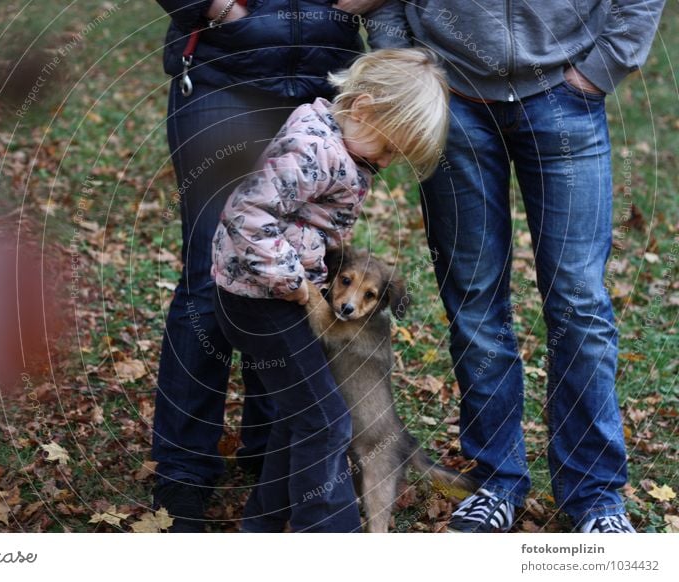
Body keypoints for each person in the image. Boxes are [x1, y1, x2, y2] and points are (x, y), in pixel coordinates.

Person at [366, 0, 666, 532]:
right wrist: (404, 61)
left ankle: (594, 496)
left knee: (578, 299)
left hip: (567, 95)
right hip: (449, 95)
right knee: (474, 299)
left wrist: (601, 68)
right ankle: (496, 480)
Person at [153, 0, 384, 532]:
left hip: (323, 71)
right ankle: (184, 471)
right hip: (223, 72)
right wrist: (220, 9)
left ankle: (270, 456)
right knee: (209, 277)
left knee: (292, 274)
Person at [212, 48, 450, 532]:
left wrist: (324, 251)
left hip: (265, 293)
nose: (384, 162)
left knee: (299, 417)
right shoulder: (314, 149)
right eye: (387, 149)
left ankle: (260, 528)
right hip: (260, 299)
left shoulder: (335, 145)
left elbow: (303, 215)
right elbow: (246, 213)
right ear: (361, 111)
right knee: (326, 423)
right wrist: (298, 284)